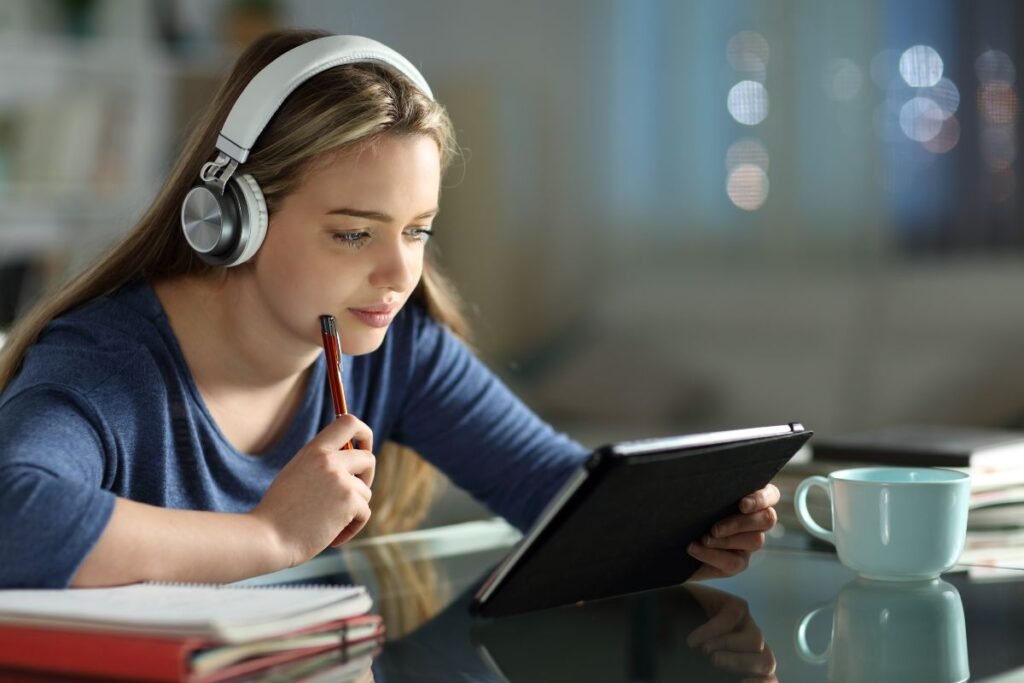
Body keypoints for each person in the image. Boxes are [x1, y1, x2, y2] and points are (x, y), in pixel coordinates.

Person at [0, 29, 781, 589]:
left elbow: (560, 493)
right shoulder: (108, 360)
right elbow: (13, 514)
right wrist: (269, 534)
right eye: (352, 233)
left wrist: (694, 522)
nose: (398, 272)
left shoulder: (395, 348)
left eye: (417, 232)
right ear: (231, 220)